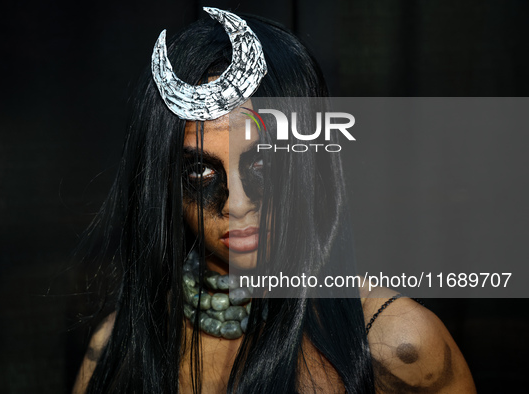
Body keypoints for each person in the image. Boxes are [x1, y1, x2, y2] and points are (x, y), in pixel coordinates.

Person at [72, 8, 476, 394]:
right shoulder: (120, 349)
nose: (238, 203)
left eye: (262, 162)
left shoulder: (397, 347)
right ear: (166, 185)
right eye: (200, 173)